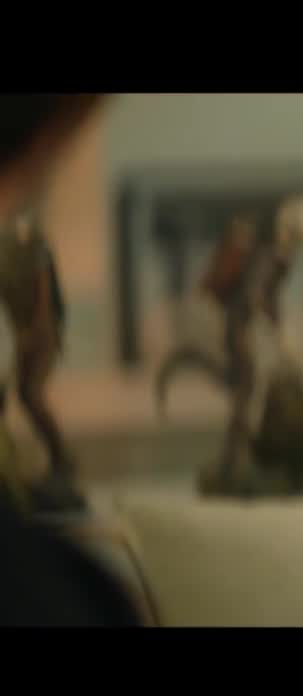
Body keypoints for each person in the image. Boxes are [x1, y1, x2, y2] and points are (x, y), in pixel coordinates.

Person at [0, 93, 142, 626]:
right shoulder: (58, 596)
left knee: (28, 396)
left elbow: (43, 305)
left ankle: (56, 459)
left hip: (36, 340)